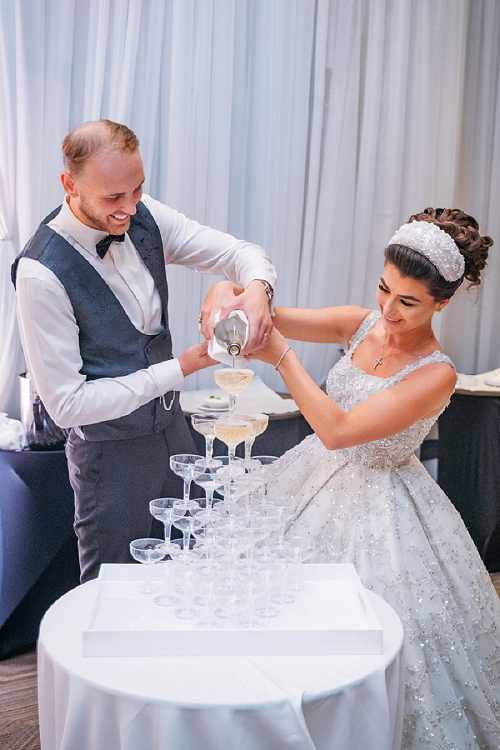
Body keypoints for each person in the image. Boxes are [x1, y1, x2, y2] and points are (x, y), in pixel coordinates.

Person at [243, 207, 500, 749]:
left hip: (386, 504)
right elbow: (265, 316)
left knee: (375, 640)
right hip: (312, 481)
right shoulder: (357, 323)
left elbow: (339, 431)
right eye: (384, 289)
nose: (388, 309)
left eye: (407, 301)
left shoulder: (437, 374)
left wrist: (283, 358)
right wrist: (237, 294)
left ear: (441, 303)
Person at [12, 119, 276, 583]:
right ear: (69, 185)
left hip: (173, 435)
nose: (129, 208)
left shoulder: (143, 214)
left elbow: (239, 252)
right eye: (113, 197)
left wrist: (256, 289)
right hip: (108, 458)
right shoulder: (40, 274)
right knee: (110, 590)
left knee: (188, 565)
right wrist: (181, 367)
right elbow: (67, 405)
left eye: (137, 190)